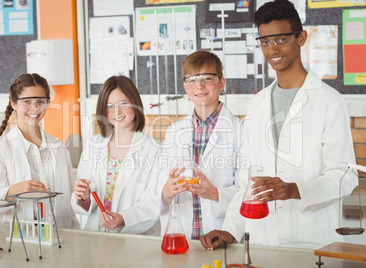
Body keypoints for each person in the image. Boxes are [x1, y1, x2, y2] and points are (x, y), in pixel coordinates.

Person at [200, 0, 358, 250]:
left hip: (310, 241)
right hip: (262, 239)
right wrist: (231, 229)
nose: (272, 48)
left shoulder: (329, 101)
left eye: (281, 39)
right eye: (265, 41)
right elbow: (249, 179)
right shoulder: (258, 103)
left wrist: (295, 190)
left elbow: (344, 176)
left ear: (301, 38)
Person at [0, 73, 79, 229]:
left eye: (40, 101)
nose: (34, 108)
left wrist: (76, 237)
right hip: (19, 241)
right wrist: (14, 191)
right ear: (14, 103)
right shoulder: (1, 149)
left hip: (60, 238)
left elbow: (69, 203)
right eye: (27, 101)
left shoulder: (59, 147)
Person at [158, 50, 243, 239]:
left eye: (207, 78)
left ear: (222, 82)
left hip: (221, 234)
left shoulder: (240, 130)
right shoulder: (174, 132)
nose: (199, 85)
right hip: (181, 236)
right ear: (185, 88)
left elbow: (246, 190)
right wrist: (167, 192)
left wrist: (213, 193)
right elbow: (160, 188)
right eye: (192, 80)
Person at [71, 76, 160, 235]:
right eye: (109, 106)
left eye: (123, 104)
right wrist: (83, 196)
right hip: (96, 238)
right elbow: (84, 194)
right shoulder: (94, 145)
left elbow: (153, 200)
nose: (116, 112)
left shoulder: (153, 150)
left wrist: (123, 218)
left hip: (135, 241)